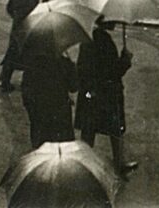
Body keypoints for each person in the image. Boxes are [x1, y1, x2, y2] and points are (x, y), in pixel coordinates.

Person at [74, 15, 137, 177]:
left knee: (89, 131)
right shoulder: (105, 42)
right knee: (115, 130)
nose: (116, 23)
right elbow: (113, 72)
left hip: (90, 94)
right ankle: (119, 164)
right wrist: (125, 61)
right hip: (107, 94)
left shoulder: (88, 39)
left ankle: (84, 166)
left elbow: (82, 68)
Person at [22, 50, 77, 148]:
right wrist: (72, 66)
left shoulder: (31, 64)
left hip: (40, 115)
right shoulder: (63, 62)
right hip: (61, 114)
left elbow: (26, 92)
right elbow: (74, 87)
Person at [0, 0, 41, 93]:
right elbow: (33, 12)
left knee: (12, 54)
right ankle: (24, 83)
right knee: (26, 56)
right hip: (26, 29)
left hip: (17, 28)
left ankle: (4, 79)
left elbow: (9, 8)